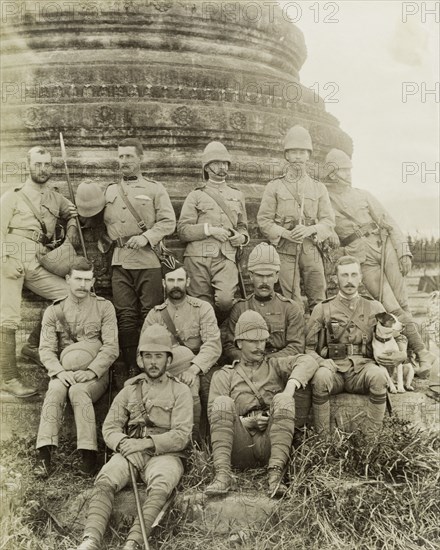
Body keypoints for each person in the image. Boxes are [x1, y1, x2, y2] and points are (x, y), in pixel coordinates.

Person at [76, 324, 193, 550]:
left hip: (165, 454)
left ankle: (134, 543)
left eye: (159, 356)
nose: (153, 362)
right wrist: (123, 443)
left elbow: (181, 436)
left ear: (169, 360)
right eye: (148, 356)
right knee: (106, 477)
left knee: (163, 482)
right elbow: (110, 427)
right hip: (130, 452)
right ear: (140, 360)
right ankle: (90, 539)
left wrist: (145, 444)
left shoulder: (181, 391)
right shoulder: (130, 390)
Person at [323, 148, 435, 376]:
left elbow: (389, 221)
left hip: (386, 249)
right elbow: (325, 225)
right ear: (332, 173)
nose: (349, 174)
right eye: (344, 170)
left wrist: (404, 251)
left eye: (349, 169)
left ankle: (411, 359)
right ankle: (423, 353)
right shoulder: (325, 199)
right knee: (393, 308)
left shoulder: (363, 194)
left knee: (404, 305)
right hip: (363, 259)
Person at [207, 310, 318, 497]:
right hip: (240, 445)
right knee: (222, 402)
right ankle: (222, 476)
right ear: (239, 343)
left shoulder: (275, 365)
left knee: (283, 399)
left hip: (271, 441)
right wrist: (246, 422)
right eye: (253, 341)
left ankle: (276, 476)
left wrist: (290, 387)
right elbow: (214, 416)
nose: (260, 346)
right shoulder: (225, 375)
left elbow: (308, 361)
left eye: (262, 341)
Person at [0, 146, 79, 397]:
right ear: (28, 165)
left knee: (70, 294)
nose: (42, 169)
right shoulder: (12, 195)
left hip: (38, 260)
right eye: (37, 164)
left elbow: (74, 214)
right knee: (8, 317)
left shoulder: (56, 197)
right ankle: (8, 377)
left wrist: (73, 226)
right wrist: (4, 260)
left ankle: (32, 346)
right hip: (12, 256)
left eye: (47, 164)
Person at [306, 255, 407, 436]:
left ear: (361, 277)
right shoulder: (322, 309)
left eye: (354, 275)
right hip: (334, 369)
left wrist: (402, 354)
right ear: (335, 279)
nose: (349, 280)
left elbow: (400, 335)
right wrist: (321, 362)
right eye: (344, 275)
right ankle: (323, 443)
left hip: (363, 369)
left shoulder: (374, 307)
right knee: (320, 378)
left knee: (378, 376)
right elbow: (307, 348)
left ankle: (371, 442)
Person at [35, 257, 118, 476]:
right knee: (54, 390)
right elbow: (45, 349)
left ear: (93, 281)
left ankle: (88, 456)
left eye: (87, 280)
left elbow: (111, 347)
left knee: (79, 391)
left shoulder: (104, 307)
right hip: (64, 372)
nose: (82, 285)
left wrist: (91, 371)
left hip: (95, 374)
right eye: (78, 279)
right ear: (68, 279)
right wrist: (59, 372)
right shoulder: (54, 311)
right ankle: (44, 455)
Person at [102, 138, 176, 374]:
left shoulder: (155, 189)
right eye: (121, 156)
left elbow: (169, 222)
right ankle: (131, 365)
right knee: (124, 314)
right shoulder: (110, 190)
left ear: (140, 159)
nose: (124, 161)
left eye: (129, 156)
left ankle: (150, 364)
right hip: (120, 261)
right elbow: (95, 218)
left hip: (148, 260)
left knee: (151, 312)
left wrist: (147, 237)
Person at [222, 242, 312, 427]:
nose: (264, 281)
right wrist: (248, 360)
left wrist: (268, 362)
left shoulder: (290, 309)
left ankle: (297, 433)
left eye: (269, 275)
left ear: (277, 276)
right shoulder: (240, 308)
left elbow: (296, 346)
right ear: (251, 276)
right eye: (259, 275)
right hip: (248, 369)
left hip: (279, 368)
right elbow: (229, 345)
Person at [257, 125, 335, 312]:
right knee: (291, 299)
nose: (298, 156)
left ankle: (318, 338)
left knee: (318, 294)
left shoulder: (318, 188)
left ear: (308, 155)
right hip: (285, 249)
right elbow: (264, 221)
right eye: (293, 152)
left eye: (302, 152)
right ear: (287, 155)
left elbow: (329, 222)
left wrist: (310, 230)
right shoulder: (274, 186)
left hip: (311, 247)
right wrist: (285, 233)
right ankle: (296, 338)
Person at [141, 263, 221, 440]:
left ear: (188, 281)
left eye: (179, 280)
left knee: (193, 389)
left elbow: (213, 344)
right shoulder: (155, 315)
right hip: (166, 371)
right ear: (164, 283)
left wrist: (193, 369)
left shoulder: (202, 309)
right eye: (171, 280)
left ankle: (195, 444)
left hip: (198, 368)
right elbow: (142, 355)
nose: (175, 284)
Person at [177, 141, 249, 318]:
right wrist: (209, 230)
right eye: (217, 163)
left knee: (225, 300)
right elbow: (183, 231)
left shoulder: (237, 194)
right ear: (207, 167)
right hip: (197, 258)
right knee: (201, 305)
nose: (223, 167)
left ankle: (220, 332)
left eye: (225, 163)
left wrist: (242, 238)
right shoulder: (196, 195)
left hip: (226, 258)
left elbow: (243, 227)